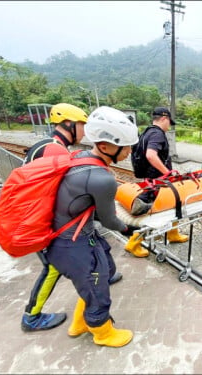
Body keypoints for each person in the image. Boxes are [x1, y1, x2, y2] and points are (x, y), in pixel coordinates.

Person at [21, 103, 127, 333]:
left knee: (98, 253)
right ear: (69, 124)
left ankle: (103, 277)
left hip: (59, 221)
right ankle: (31, 316)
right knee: (53, 269)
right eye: (82, 124)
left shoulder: (50, 146)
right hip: (49, 225)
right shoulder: (55, 150)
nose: (84, 130)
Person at [45, 106, 138, 347]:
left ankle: (80, 322)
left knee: (104, 268)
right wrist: (129, 229)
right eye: (125, 146)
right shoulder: (102, 177)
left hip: (71, 235)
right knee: (97, 287)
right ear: (106, 147)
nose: (129, 152)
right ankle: (102, 332)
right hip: (72, 242)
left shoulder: (79, 157)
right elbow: (108, 220)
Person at [124, 107, 189, 258]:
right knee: (154, 213)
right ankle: (133, 243)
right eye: (169, 123)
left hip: (151, 179)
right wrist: (166, 172)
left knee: (173, 204)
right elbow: (151, 155)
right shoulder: (158, 134)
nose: (169, 126)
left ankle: (173, 233)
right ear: (164, 118)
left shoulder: (147, 132)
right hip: (158, 182)